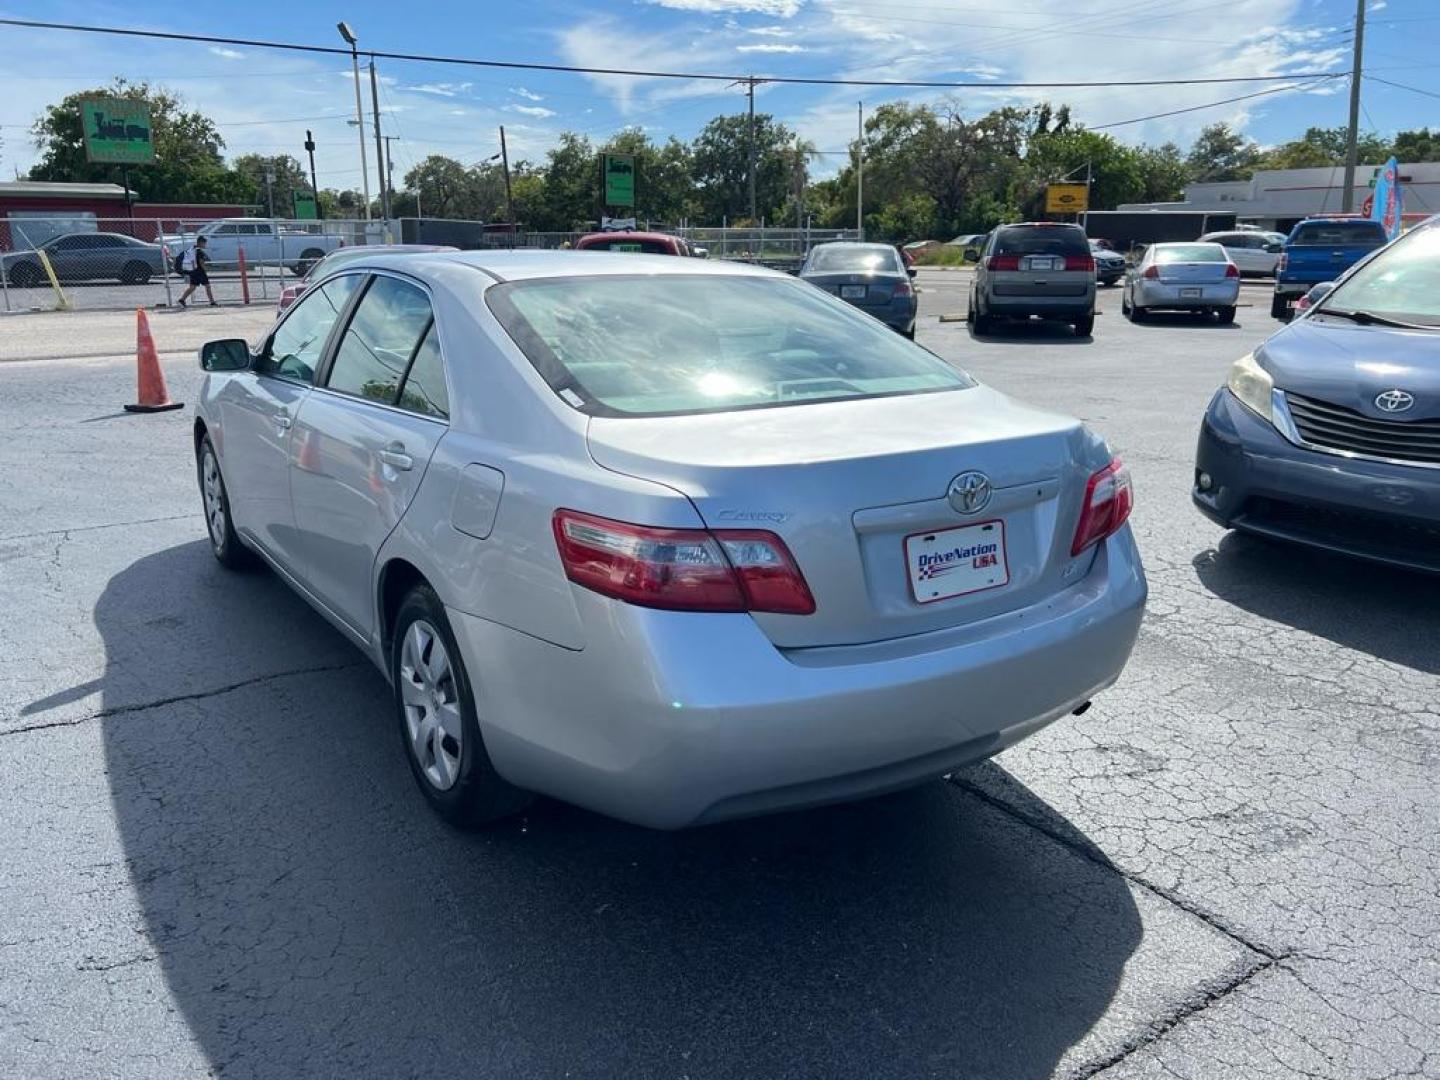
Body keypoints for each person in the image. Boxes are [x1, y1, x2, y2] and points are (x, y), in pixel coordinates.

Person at [177, 236, 217, 308]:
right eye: (204, 243)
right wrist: (205, 270)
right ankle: (212, 302)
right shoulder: (199, 251)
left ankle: (182, 300)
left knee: (192, 287)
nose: (205, 245)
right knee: (207, 286)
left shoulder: (192, 249)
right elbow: (201, 262)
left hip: (193, 271)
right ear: (200, 243)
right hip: (200, 272)